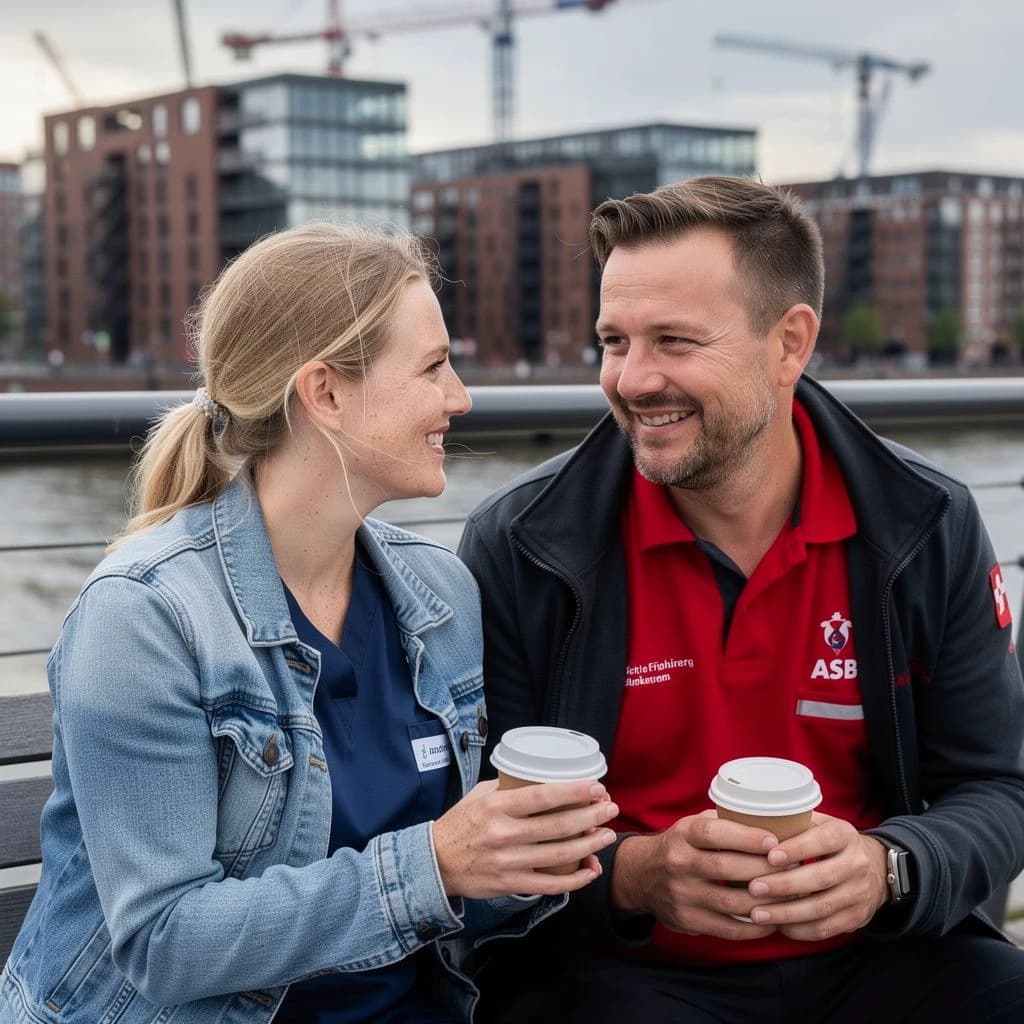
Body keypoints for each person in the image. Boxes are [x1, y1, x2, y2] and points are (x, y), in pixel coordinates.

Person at [0, 224, 619, 1024]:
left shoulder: (440, 594)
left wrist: (519, 861)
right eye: (433, 367)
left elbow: (449, 904)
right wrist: (434, 863)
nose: (460, 397)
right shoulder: (145, 616)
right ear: (324, 393)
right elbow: (164, 943)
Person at [457, 177, 1024, 1023]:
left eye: (674, 341)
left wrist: (888, 869)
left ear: (789, 343)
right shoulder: (521, 543)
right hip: (622, 970)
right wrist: (635, 877)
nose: (632, 380)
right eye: (613, 341)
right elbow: (479, 843)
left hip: (884, 957)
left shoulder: (925, 521)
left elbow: (997, 789)